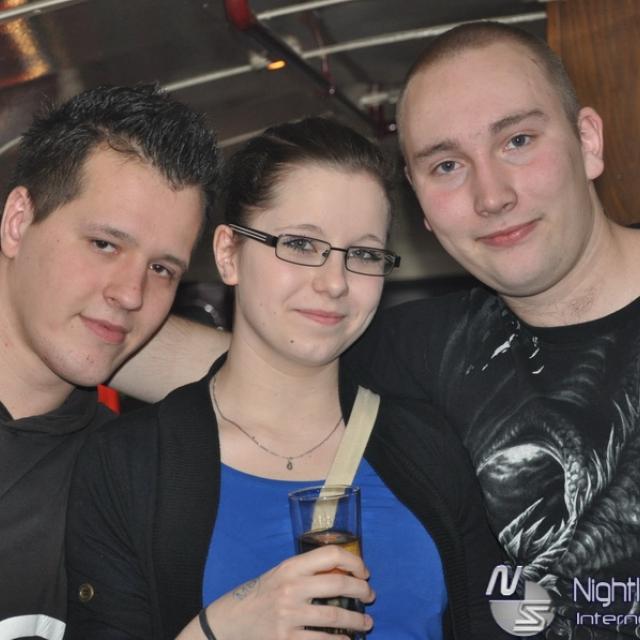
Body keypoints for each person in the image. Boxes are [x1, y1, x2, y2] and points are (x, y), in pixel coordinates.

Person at [113, 22, 640, 640]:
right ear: (420, 201)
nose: (491, 195)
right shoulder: (425, 349)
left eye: (518, 140)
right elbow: (256, 375)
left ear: (588, 141)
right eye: (447, 165)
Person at [65, 117, 506, 640]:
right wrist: (217, 631)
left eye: (364, 255)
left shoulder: (428, 447)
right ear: (229, 253)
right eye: (300, 244)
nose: (335, 282)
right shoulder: (130, 464)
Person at [0, 84, 219, 639]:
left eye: (163, 269)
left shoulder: (127, 476)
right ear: (18, 221)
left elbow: (287, 387)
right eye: (104, 244)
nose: (131, 294)